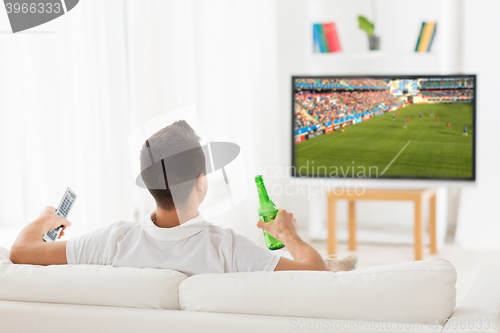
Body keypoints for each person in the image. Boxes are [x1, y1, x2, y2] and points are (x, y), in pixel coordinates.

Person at [9, 121, 356, 275]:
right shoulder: (228, 249)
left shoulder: (111, 241)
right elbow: (315, 274)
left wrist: (45, 219)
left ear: (147, 184)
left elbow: (21, 252)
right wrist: (288, 235)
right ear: (201, 182)